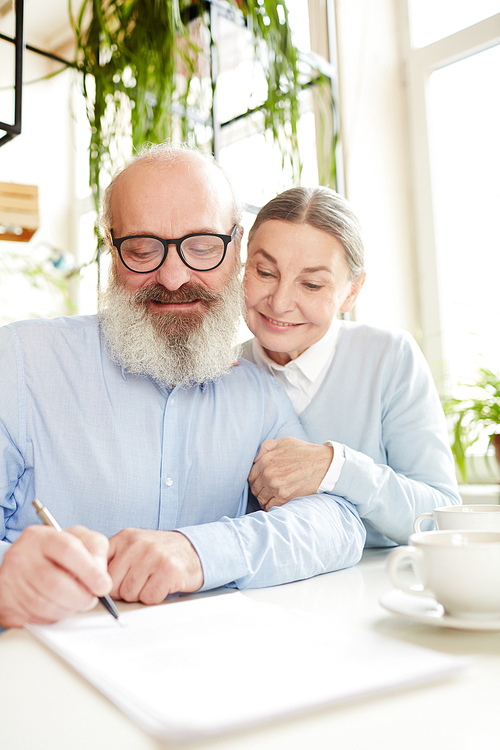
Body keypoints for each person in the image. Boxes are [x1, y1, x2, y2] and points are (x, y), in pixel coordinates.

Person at [0, 146, 365, 629]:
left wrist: (199, 551)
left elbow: (336, 525)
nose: (173, 278)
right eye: (143, 248)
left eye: (202, 246)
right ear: (112, 252)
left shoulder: (258, 391)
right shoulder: (20, 362)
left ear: (237, 250)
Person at [242, 186, 461, 547]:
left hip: (374, 587)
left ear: (352, 292)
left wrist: (336, 468)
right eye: (265, 272)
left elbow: (441, 517)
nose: (280, 303)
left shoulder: (389, 357)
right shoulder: (220, 371)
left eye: (311, 284)